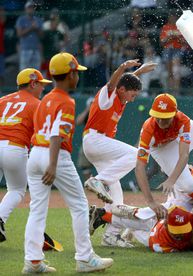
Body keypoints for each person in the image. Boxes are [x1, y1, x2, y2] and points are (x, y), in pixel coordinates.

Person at [23, 52, 113, 273]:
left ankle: (32, 261)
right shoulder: (66, 100)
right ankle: (84, 258)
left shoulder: (45, 99)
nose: (78, 77)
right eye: (76, 72)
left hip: (35, 154)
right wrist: (52, 164)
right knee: (80, 206)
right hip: (55, 155)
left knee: (36, 210)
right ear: (71, 74)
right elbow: (56, 134)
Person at [82, 60, 157, 247]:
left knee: (117, 199)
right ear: (122, 89)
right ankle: (99, 180)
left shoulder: (122, 96)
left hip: (100, 148)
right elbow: (114, 83)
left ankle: (111, 236)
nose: (134, 97)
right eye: (133, 93)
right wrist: (123, 67)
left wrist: (138, 71)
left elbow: (127, 82)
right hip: (95, 141)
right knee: (137, 154)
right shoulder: (107, 96)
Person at [0, 68, 51, 243]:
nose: (43, 88)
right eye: (41, 84)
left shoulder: (2, 100)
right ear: (33, 83)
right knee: (16, 190)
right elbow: (42, 134)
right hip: (15, 147)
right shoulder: (37, 104)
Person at [15, 1, 43, 70]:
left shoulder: (38, 20)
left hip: (36, 50)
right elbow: (19, 34)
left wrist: (37, 28)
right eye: (29, 8)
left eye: (32, 8)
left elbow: (42, 36)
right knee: (24, 73)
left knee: (36, 73)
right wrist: (31, 27)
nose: (31, 9)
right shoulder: (21, 20)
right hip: (25, 50)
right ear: (26, 9)